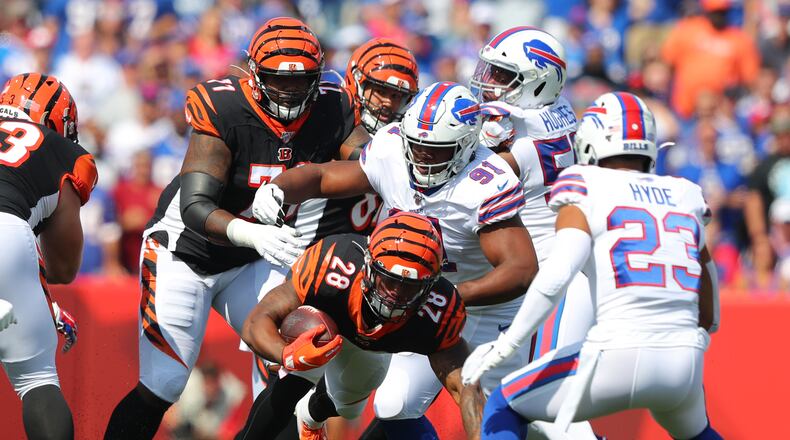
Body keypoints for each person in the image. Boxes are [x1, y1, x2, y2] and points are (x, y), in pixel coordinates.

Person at [104, 17, 365, 439]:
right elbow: (194, 207)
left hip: (252, 260)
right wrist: (254, 233)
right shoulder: (225, 107)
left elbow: (367, 164)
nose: (290, 91)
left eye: (301, 82)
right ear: (254, 74)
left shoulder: (334, 107)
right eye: (278, 79)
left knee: (300, 353)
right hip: (185, 252)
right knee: (165, 383)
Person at [252, 81, 539, 439]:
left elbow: (521, 270)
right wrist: (282, 187)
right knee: (393, 404)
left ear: (466, 146)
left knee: (497, 411)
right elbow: (326, 176)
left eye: (435, 151)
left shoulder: (485, 183)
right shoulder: (392, 150)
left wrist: (445, 297)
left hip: (478, 301)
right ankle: (313, 412)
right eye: (416, 145)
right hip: (403, 289)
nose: (421, 157)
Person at [462, 92, 722, 440]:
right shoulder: (685, 192)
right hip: (682, 360)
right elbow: (709, 296)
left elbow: (557, 275)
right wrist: (703, 332)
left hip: (616, 353)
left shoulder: (585, 184)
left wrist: (507, 344)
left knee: (503, 403)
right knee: (698, 434)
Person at [245, 36, 420, 403]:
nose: (387, 103)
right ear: (357, 81)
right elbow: (354, 154)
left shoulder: (407, 140)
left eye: (398, 95)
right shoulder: (338, 118)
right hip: (301, 268)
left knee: (350, 398)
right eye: (378, 89)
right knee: (283, 386)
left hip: (356, 277)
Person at [237, 212, 483, 439]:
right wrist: (288, 354)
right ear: (368, 265)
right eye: (389, 280)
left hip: (372, 349)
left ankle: (311, 416)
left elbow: (465, 389)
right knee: (292, 382)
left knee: (348, 406)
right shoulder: (333, 262)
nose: (396, 295)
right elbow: (255, 322)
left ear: (430, 285)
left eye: (410, 286)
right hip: (322, 326)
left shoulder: (440, 310)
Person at [470, 25, 597, 439]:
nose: (490, 84)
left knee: (547, 406)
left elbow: (473, 182)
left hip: (554, 274)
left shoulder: (515, 130)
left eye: (503, 76)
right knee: (520, 399)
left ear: (538, 80)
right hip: (557, 266)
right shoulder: (558, 110)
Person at [0, 73, 98, 440]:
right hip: (5, 234)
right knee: (36, 378)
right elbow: (62, 267)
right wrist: (37, 296)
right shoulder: (56, 147)